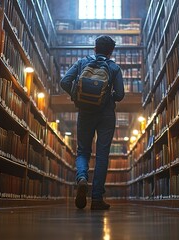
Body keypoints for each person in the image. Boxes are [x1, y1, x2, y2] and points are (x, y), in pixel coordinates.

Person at [60, 35, 124, 210]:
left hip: (85, 113)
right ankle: (96, 199)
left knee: (83, 151)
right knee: (102, 155)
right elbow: (119, 95)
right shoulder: (114, 68)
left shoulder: (82, 62)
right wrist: (107, 97)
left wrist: (76, 96)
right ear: (111, 52)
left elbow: (64, 81)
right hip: (106, 115)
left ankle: (81, 178)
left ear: (95, 48)